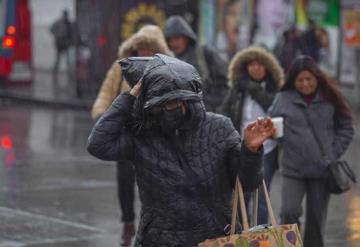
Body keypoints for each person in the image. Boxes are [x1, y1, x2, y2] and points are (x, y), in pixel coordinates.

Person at [87, 54, 276, 246]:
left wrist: (251, 151)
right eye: (161, 104)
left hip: (215, 238)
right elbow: (98, 144)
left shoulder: (219, 128)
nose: (169, 109)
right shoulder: (142, 136)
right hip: (160, 239)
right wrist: (130, 97)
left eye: (175, 101)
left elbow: (247, 184)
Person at [91, 25, 173, 246]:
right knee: (125, 179)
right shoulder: (121, 67)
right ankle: (128, 221)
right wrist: (102, 116)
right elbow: (106, 93)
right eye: (141, 48)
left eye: (149, 48)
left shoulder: (167, 68)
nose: (144, 53)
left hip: (155, 134)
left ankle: (155, 224)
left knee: (157, 181)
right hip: (127, 132)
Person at [268, 56, 354, 247]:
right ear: (293, 81)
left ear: (317, 78)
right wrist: (273, 132)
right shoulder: (283, 99)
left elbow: (347, 127)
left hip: (322, 170)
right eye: (300, 80)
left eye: (309, 79)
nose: (305, 84)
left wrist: (332, 153)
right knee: (289, 212)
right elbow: (270, 125)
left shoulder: (330, 98)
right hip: (292, 169)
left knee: (316, 219)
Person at [219, 46, 284, 224]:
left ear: (267, 67)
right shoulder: (238, 90)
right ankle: (244, 236)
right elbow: (224, 113)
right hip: (240, 148)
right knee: (241, 196)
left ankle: (263, 237)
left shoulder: (275, 90)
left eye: (260, 64)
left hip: (267, 149)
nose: (256, 68)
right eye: (252, 64)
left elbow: (275, 110)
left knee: (262, 197)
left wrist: (256, 90)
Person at [163, 15, 229, 112]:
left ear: (186, 38)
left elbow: (224, 82)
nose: (173, 43)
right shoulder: (166, 60)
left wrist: (208, 103)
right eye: (170, 40)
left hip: (207, 113)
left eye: (177, 38)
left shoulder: (205, 54)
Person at [50, 10, 74, 78]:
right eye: (65, 15)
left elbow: (71, 33)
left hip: (66, 43)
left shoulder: (69, 23)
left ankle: (69, 74)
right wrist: (57, 35)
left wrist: (71, 41)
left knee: (68, 59)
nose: (66, 16)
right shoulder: (58, 22)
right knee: (58, 59)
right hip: (59, 43)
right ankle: (54, 73)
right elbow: (51, 29)